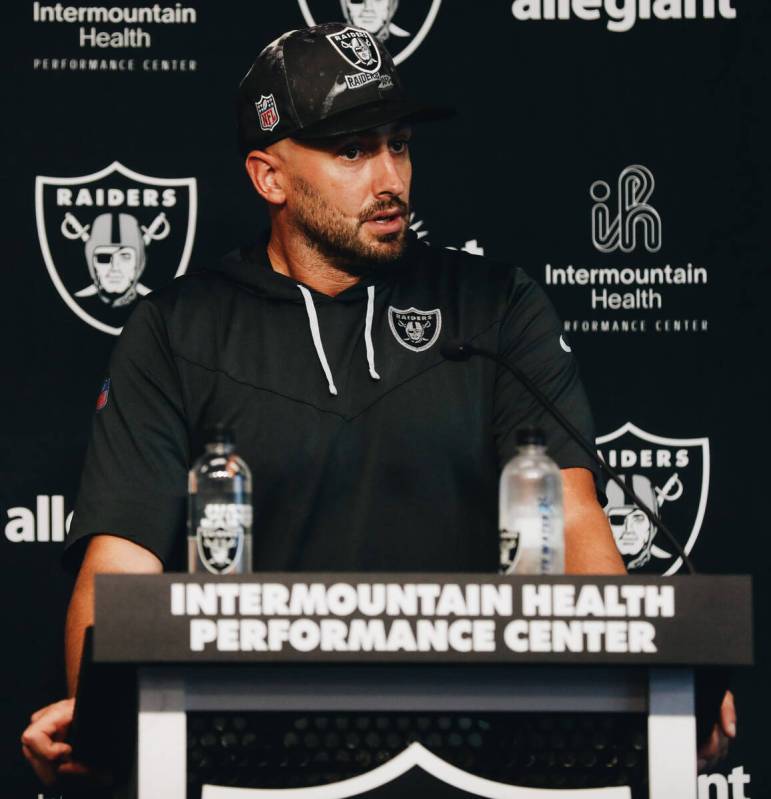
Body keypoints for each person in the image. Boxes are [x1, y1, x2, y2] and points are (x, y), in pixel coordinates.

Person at [21, 22, 734, 789]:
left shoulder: (492, 306)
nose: (389, 176)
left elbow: (572, 514)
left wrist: (650, 694)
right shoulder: (176, 329)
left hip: (480, 762)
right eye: (352, 151)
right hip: (248, 768)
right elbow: (122, 562)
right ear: (269, 177)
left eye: (397, 144)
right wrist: (97, 717)